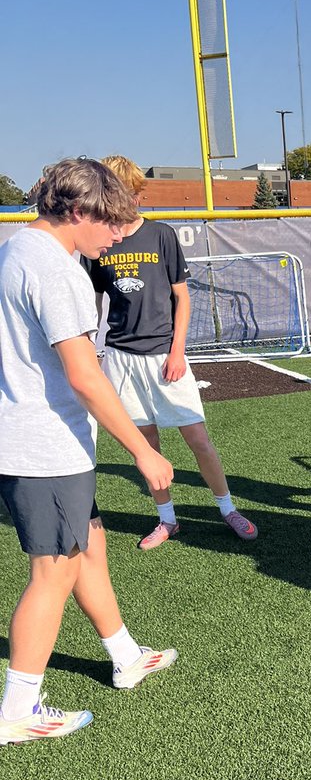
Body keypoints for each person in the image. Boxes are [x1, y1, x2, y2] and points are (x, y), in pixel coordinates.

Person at [0, 158, 177, 744]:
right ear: (77, 211)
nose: (119, 234)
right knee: (53, 572)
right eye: (111, 222)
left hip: (40, 440)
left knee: (88, 545)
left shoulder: (18, 248)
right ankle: (19, 705)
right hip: (43, 446)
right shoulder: (56, 271)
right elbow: (84, 375)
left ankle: (124, 654)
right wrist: (144, 452)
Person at [85, 156, 258, 550]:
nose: (123, 200)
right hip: (121, 357)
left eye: (127, 192)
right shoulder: (99, 245)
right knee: (144, 446)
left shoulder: (161, 235)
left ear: (136, 193)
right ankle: (167, 519)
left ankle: (227, 508)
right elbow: (93, 303)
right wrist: (93, 351)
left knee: (197, 438)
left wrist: (177, 351)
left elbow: (182, 297)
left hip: (165, 355)